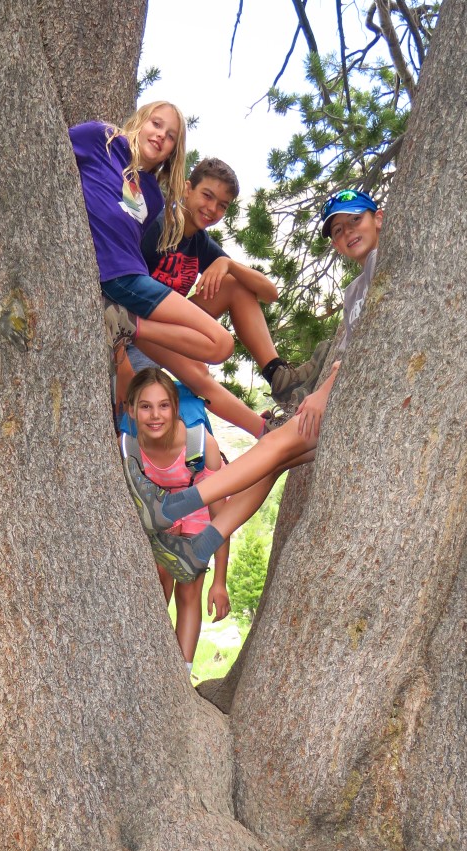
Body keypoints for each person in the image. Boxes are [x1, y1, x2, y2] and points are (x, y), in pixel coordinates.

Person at [122, 189, 383, 580]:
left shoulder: (385, 265)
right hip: (347, 397)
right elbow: (351, 355)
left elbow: (360, 350)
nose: (347, 234)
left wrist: (321, 394)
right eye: (338, 231)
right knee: (271, 463)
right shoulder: (355, 290)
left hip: (356, 399)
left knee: (273, 445)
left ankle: (169, 509)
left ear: (378, 217)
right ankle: (198, 550)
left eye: (355, 222)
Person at [121, 158, 315, 437]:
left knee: (234, 285)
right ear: (187, 189)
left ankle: (278, 376)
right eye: (207, 196)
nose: (212, 209)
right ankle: (265, 430)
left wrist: (229, 265)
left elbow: (269, 294)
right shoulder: (157, 227)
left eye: (222, 205)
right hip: (133, 336)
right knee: (199, 374)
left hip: (163, 332)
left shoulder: (198, 241)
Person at [69, 103, 234, 368]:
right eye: (156, 124)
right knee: (219, 341)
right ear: (140, 121)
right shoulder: (100, 139)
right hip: (116, 275)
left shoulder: (154, 197)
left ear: (172, 151)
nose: (160, 136)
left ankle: (126, 325)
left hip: (132, 280)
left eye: (170, 136)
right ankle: (126, 326)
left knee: (220, 345)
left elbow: (131, 243)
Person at [122, 367, 229, 670]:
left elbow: (220, 516)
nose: (155, 416)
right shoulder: (127, 446)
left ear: (175, 408)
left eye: (164, 405)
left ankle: (183, 671)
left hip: (196, 502)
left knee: (189, 586)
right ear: (131, 409)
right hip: (155, 507)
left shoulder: (200, 444)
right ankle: (148, 662)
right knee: (156, 579)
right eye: (145, 406)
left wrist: (220, 581)